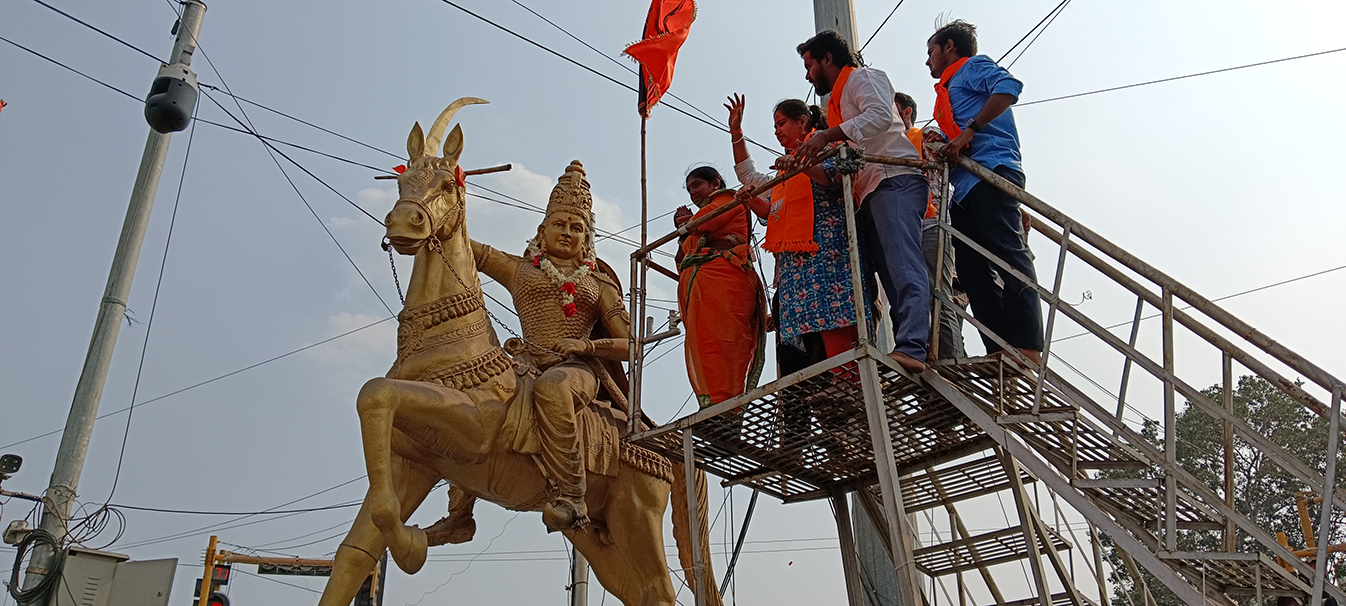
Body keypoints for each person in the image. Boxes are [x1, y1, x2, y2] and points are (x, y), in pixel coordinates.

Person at [468, 161, 632, 532]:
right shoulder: (519, 269)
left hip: (574, 369)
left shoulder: (600, 285)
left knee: (553, 388)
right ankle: (460, 513)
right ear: (542, 231)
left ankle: (573, 494)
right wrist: (445, 192)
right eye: (559, 224)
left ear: (587, 239)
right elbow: (464, 246)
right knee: (472, 397)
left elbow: (632, 345)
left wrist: (587, 347)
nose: (567, 233)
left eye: (577, 228)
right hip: (524, 362)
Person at [790, 30, 930, 373]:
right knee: (891, 277)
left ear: (827, 58)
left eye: (810, 65)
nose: (808, 75)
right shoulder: (837, 104)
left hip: (893, 181)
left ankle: (914, 345)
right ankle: (909, 346)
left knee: (903, 267)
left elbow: (881, 116)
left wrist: (826, 135)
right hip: (868, 192)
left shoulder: (863, 78)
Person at [924, 20, 1044, 364]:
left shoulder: (972, 67)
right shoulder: (948, 88)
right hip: (964, 187)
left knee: (1008, 253)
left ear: (949, 47)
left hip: (992, 171)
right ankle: (999, 346)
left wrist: (970, 131)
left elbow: (1009, 87)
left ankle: (1027, 344)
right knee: (973, 271)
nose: (928, 60)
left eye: (931, 51)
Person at [724, 94, 865, 375]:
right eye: (775, 125)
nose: (777, 131)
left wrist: (803, 165)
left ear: (802, 122)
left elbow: (834, 180)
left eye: (781, 123)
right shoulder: (785, 168)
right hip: (794, 263)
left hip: (826, 249)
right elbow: (769, 207)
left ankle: (848, 381)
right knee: (814, 327)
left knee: (834, 318)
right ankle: (839, 384)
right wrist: (737, 135)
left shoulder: (829, 145)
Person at [675, 166, 767, 408]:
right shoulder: (701, 215)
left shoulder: (728, 199)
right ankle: (713, 407)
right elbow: (682, 259)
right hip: (702, 285)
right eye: (689, 189)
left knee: (726, 344)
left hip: (725, 282)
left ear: (715, 183)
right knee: (707, 347)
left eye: (697, 185)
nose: (692, 192)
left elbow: (706, 222)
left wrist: (688, 224)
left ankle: (728, 408)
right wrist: (683, 233)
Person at [894, 91, 966, 360]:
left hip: (931, 223)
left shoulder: (924, 136)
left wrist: (943, 140)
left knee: (938, 295)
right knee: (911, 297)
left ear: (906, 114)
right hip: (904, 228)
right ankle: (926, 358)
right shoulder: (883, 146)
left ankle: (951, 367)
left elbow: (947, 146)